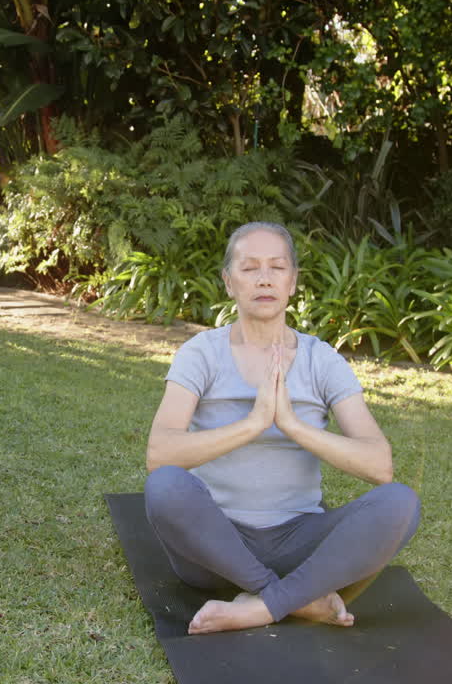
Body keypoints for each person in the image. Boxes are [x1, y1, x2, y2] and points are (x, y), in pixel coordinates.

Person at [144, 222, 420, 633]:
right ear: (229, 282)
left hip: (299, 543)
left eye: (277, 267)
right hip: (214, 545)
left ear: (292, 282)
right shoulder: (201, 353)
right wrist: (254, 423)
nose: (264, 278)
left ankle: (260, 605)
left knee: (400, 503)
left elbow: (379, 466)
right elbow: (159, 454)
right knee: (165, 487)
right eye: (249, 267)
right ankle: (296, 599)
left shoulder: (321, 360)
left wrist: (291, 424)